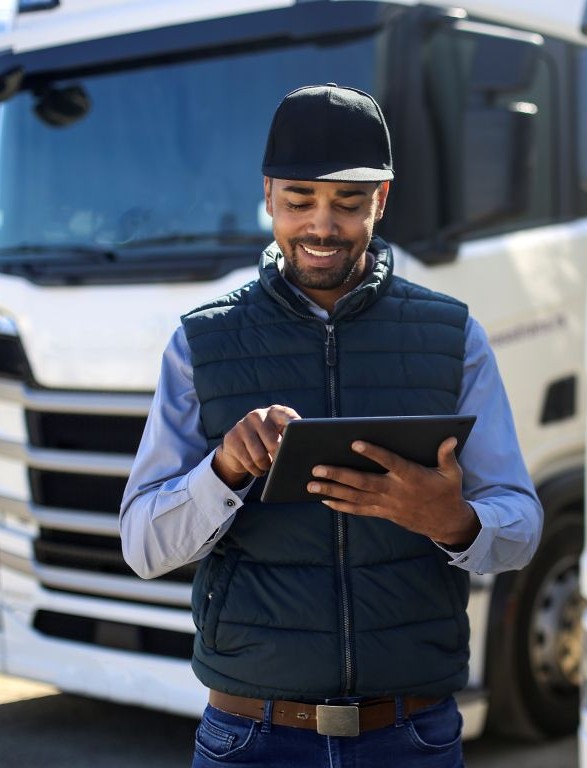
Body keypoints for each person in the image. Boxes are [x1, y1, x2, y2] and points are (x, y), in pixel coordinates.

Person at [120, 83, 543, 768]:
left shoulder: (453, 336)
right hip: (250, 738)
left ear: (382, 199)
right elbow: (143, 546)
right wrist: (223, 471)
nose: (322, 226)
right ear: (268, 196)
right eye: (299, 201)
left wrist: (453, 521)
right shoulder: (200, 342)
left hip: (413, 736)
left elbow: (521, 525)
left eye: (348, 203)